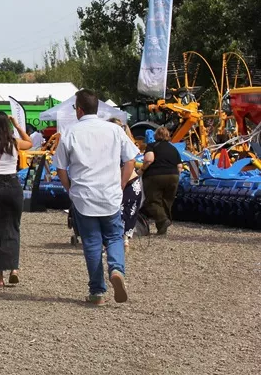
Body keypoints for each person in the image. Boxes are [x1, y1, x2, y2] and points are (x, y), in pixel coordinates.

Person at [56, 89, 140, 306]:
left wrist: (69, 189)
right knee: (114, 236)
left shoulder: (70, 133)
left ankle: (97, 292)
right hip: (110, 194)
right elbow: (131, 159)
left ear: (79, 110)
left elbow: (60, 168)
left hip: (83, 196)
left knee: (92, 243)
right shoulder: (114, 130)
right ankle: (116, 270)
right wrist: (121, 183)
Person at [0, 112, 32, 287]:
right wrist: (18, 125)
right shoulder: (14, 143)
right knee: (13, 227)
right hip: (13, 185)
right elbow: (30, 142)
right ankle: (14, 269)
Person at [107, 118, 144, 248]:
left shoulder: (112, 146)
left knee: (114, 213)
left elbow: (127, 164)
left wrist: (121, 183)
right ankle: (125, 239)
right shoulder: (128, 143)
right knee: (130, 212)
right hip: (133, 182)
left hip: (120, 182)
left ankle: (113, 242)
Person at [139, 126, 182, 235]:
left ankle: (163, 220)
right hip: (173, 176)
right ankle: (162, 229)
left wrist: (142, 169)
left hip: (155, 176)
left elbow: (149, 159)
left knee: (151, 201)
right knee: (166, 202)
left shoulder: (152, 146)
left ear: (156, 136)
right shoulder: (173, 149)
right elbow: (180, 166)